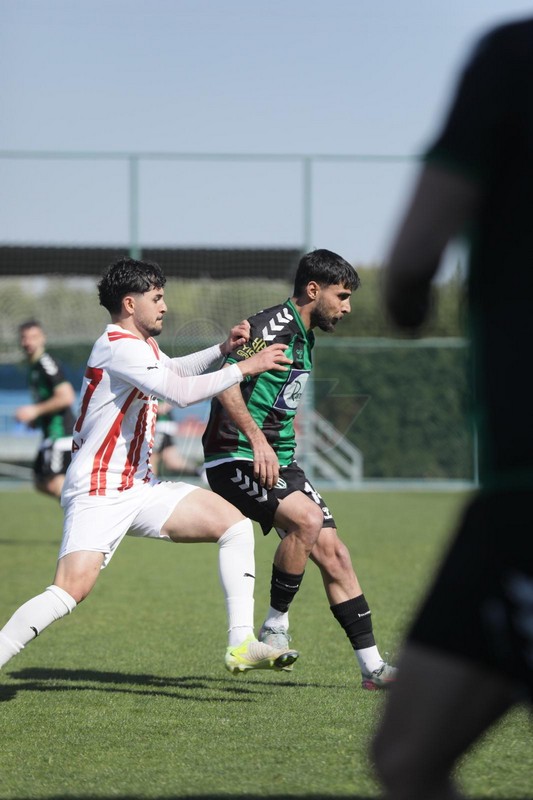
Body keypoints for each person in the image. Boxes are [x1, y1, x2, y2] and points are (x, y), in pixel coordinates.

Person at [372, 18, 533, 800]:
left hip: (525, 494)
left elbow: (412, 258)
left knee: (408, 759)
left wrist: (407, 304)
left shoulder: (514, 55)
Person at [0, 257, 298, 676]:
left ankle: (241, 643)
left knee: (233, 525)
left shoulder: (139, 346)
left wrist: (222, 350)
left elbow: (172, 370)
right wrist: (245, 366)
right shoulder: (118, 347)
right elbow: (178, 392)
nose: (164, 306)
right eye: (156, 298)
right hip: (99, 489)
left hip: (139, 487)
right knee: (70, 590)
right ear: (129, 303)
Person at [202, 248, 396, 689]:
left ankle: (373, 669)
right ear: (313, 290)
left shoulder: (306, 336)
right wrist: (258, 440)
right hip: (235, 456)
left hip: (280, 462)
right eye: (342, 296)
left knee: (336, 554)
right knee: (307, 521)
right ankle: (274, 624)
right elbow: (224, 385)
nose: (347, 307)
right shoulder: (272, 327)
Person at [15, 320, 76, 499]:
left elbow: (66, 396)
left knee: (53, 483)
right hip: (49, 433)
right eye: (24, 338)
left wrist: (35, 411)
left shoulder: (46, 363)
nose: (28, 342)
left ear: (43, 338)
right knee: (40, 481)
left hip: (60, 433)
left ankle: (84, 511)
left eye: (33, 337)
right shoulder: (34, 366)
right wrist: (37, 418)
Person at [150, 400, 197, 477]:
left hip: (161, 427)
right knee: (172, 462)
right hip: (159, 426)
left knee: (152, 456)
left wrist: (155, 408)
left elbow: (164, 407)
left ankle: (150, 480)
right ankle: (200, 470)